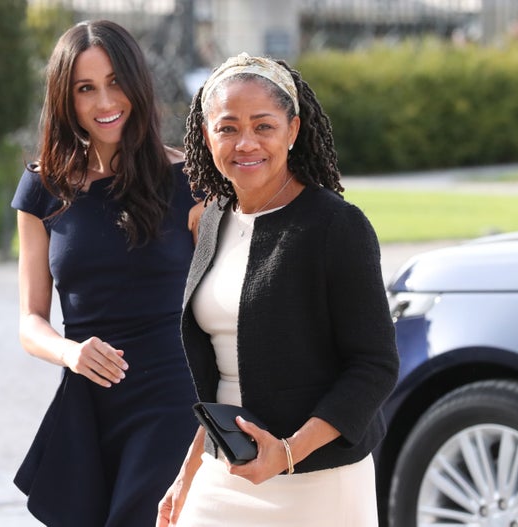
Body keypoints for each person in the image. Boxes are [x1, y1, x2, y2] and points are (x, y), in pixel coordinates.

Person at [157, 53, 399, 527]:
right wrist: (188, 473)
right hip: (224, 472)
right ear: (207, 136)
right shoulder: (212, 219)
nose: (245, 143)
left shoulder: (336, 226)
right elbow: (222, 371)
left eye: (263, 126)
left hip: (317, 482)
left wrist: (287, 453)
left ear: (293, 130)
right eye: (227, 128)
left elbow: (374, 366)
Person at [10, 20, 201, 527]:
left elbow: (224, 304)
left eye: (115, 82)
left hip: (172, 400)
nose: (104, 102)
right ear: (65, 98)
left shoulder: (189, 183)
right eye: (85, 88)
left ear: (136, 83)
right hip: (87, 403)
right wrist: (70, 352)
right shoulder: (42, 191)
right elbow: (30, 320)